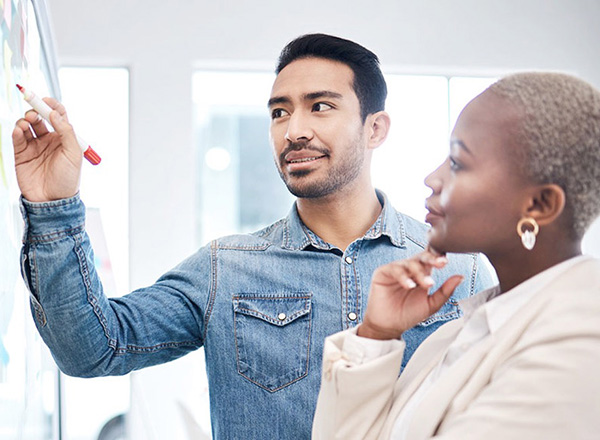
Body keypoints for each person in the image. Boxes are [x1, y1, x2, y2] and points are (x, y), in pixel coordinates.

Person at [12, 34, 493, 439]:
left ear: (376, 128)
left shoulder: (461, 271)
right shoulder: (226, 268)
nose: (293, 131)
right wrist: (54, 208)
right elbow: (92, 349)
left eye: (320, 106)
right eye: (279, 113)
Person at [312, 72, 600, 440]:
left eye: (459, 163)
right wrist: (376, 334)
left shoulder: (580, 340)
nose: (433, 178)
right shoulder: (458, 331)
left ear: (540, 205)